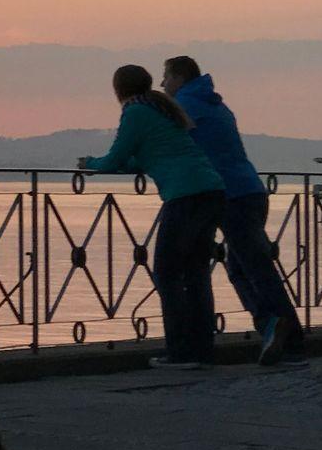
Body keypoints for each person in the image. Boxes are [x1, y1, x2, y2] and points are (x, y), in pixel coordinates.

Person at [78, 64, 227, 368]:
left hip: (185, 195)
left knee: (167, 273)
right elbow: (148, 155)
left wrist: (89, 163)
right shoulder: (160, 107)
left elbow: (115, 157)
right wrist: (123, 163)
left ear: (118, 89)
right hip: (210, 190)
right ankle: (202, 350)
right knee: (196, 274)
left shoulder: (135, 112)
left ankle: (180, 351)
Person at [161, 54, 305, 365]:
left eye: (166, 77)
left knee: (255, 268)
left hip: (229, 195)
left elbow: (165, 145)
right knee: (245, 267)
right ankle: (276, 329)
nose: (162, 84)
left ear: (180, 78)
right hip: (251, 189)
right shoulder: (217, 105)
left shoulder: (183, 106)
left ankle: (285, 335)